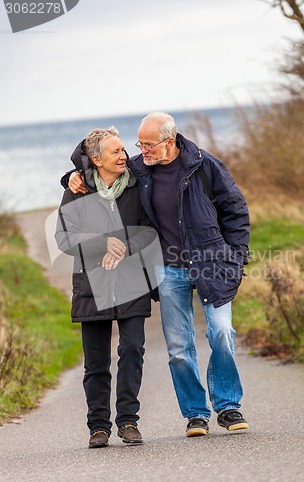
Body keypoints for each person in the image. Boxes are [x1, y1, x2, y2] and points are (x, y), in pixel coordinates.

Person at [63, 112, 250, 438]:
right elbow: (95, 164)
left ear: (170, 140)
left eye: (147, 145)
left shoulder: (205, 166)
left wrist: (235, 257)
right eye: (139, 144)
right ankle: (195, 414)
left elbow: (235, 209)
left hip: (211, 261)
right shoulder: (139, 170)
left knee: (221, 332)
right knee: (178, 347)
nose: (139, 151)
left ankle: (228, 405)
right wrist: (71, 176)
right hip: (168, 268)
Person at [55, 127, 158, 448]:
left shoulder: (137, 186)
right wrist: (103, 243)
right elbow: (64, 238)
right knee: (96, 363)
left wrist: (124, 245)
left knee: (132, 350)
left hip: (131, 281)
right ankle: (98, 427)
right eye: (115, 152)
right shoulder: (77, 190)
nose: (124, 155)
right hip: (92, 285)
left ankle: (128, 421)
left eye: (123, 149)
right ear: (96, 159)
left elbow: (149, 229)